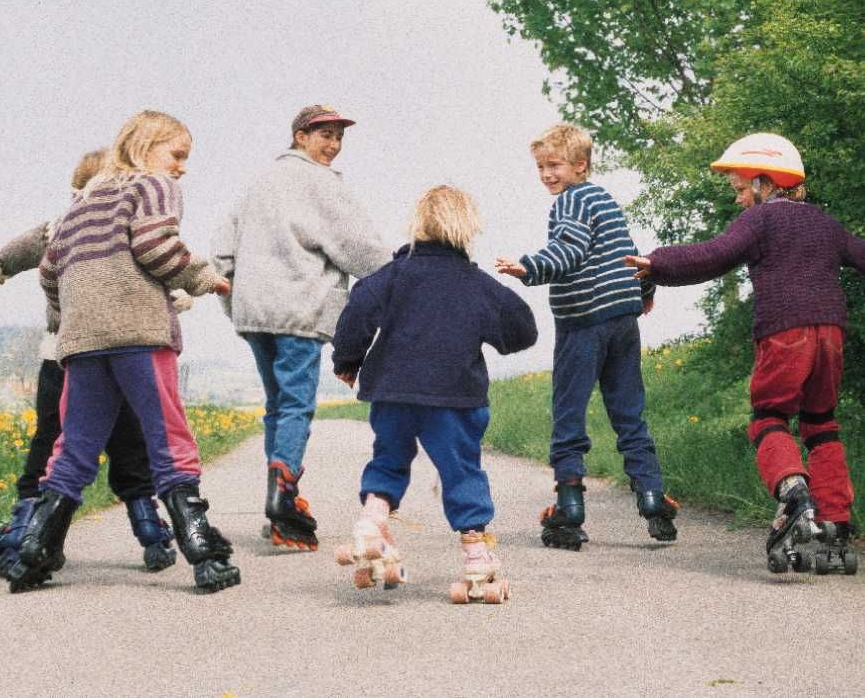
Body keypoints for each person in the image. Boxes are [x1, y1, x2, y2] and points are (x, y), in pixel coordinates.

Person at [7, 109, 240, 594]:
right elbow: (156, 246)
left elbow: (51, 270)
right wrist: (202, 279)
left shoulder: (81, 202)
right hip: (138, 336)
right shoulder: (151, 186)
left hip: (82, 343)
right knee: (167, 437)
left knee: (73, 448)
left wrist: (69, 317)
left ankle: (34, 551)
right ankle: (202, 549)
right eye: (177, 154)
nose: (181, 167)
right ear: (144, 147)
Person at [625, 132, 863, 574]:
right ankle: (836, 526)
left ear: (765, 183)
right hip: (831, 332)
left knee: (769, 417)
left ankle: (795, 494)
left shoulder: (762, 222)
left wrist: (657, 262)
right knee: (821, 424)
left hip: (784, 333)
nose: (738, 199)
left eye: (740, 188)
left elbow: (714, 255)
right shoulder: (826, 224)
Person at [331, 185, 537, 602]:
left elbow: (357, 307)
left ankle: (372, 520)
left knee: (388, 460)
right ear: (466, 230)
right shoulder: (476, 284)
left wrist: (348, 360)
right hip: (453, 396)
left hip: (393, 391)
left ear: (418, 226)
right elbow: (522, 328)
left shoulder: (392, 276)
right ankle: (477, 556)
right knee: (461, 471)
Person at [0, 148, 179, 579]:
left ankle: (24, 532)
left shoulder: (60, 224)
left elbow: (19, 250)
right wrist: (178, 296)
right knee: (131, 448)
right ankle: (150, 528)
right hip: (122, 354)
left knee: (50, 444)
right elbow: (159, 261)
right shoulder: (124, 224)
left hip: (63, 353)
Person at [212, 104, 390, 552]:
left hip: (253, 312)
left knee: (276, 404)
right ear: (300, 137)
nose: (332, 144)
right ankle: (284, 497)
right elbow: (356, 247)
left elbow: (223, 247)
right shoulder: (322, 184)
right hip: (299, 308)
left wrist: (230, 296)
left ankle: (277, 496)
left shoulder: (259, 183)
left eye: (337, 137)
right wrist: (398, 272)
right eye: (323, 135)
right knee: (295, 405)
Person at [496, 122, 678, 549]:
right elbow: (631, 252)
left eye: (554, 165)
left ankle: (569, 506)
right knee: (629, 411)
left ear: (580, 165)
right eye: (541, 167)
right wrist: (644, 291)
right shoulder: (605, 199)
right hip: (622, 320)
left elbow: (570, 249)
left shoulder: (571, 203)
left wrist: (528, 267)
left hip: (583, 325)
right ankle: (652, 496)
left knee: (569, 413)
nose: (546, 175)